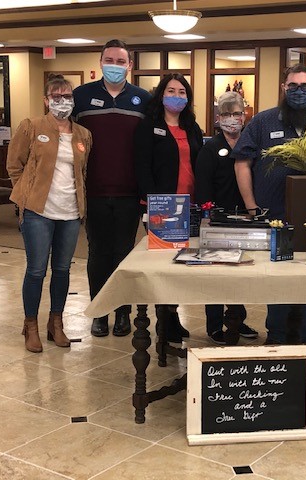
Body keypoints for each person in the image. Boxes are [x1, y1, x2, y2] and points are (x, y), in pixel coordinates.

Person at [232, 63, 306, 344]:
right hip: (275, 217)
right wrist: (251, 207)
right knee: (277, 279)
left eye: (304, 86)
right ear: (283, 88)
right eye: (293, 86)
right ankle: (277, 338)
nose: (299, 91)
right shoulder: (262, 122)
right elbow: (242, 162)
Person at [7, 74, 92, 353]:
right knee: (36, 269)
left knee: (62, 270)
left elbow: (83, 172)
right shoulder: (31, 127)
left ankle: (56, 323)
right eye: (56, 96)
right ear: (46, 100)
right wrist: (25, 194)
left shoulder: (83, 134)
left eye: (67, 96)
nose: (62, 101)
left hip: (70, 212)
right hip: (38, 211)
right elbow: (14, 165)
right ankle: (30, 325)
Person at [72, 39, 151, 338]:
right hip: (93, 191)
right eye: (109, 60)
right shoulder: (81, 97)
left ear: (129, 65)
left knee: (123, 253)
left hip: (130, 193)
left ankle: (122, 313)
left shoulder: (143, 99)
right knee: (98, 253)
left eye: (120, 61)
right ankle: (99, 311)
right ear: (100, 62)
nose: (114, 66)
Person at [134, 73, 203, 343]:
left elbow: (199, 163)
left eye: (182, 92)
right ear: (161, 94)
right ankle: (164, 321)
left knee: (182, 266)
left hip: (190, 205)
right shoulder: (148, 126)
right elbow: (141, 167)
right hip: (162, 207)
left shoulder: (192, 126)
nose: (176, 96)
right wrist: (154, 202)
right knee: (164, 267)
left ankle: (173, 316)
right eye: (171, 91)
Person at [194, 91, 258, 345]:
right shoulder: (210, 148)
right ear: (218, 118)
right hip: (217, 220)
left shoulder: (250, 145)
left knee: (240, 274)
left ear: (244, 116)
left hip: (245, 219)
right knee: (216, 275)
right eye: (226, 114)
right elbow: (203, 187)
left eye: (237, 113)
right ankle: (214, 326)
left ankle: (237, 320)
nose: (232, 119)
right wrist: (207, 216)